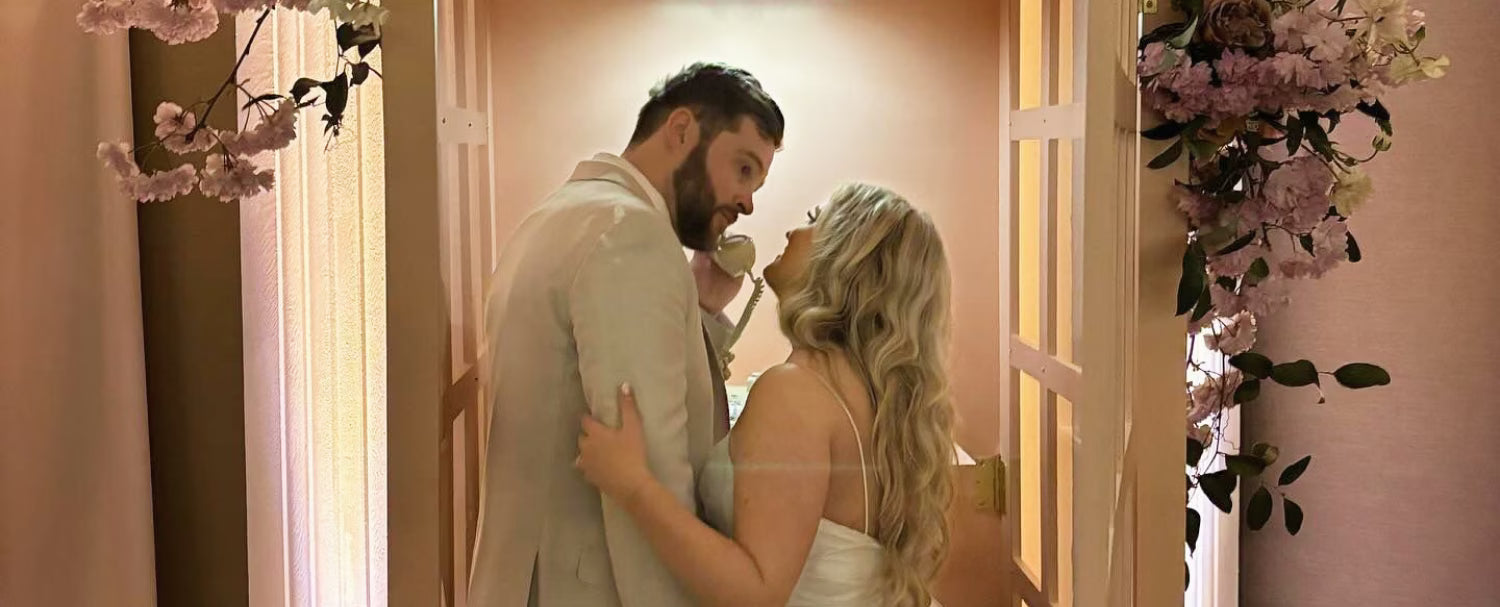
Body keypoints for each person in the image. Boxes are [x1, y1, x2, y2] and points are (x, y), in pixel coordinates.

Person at [466, 62, 784, 607]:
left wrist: (702, 308)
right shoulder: (630, 236)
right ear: (681, 130)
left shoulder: (561, 214)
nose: (748, 201)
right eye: (743, 167)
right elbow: (649, 462)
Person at [576, 183, 957, 607]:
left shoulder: (795, 391)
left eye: (813, 221)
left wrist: (632, 486)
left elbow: (754, 593)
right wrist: (707, 308)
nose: (794, 232)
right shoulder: (864, 388)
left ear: (846, 258)